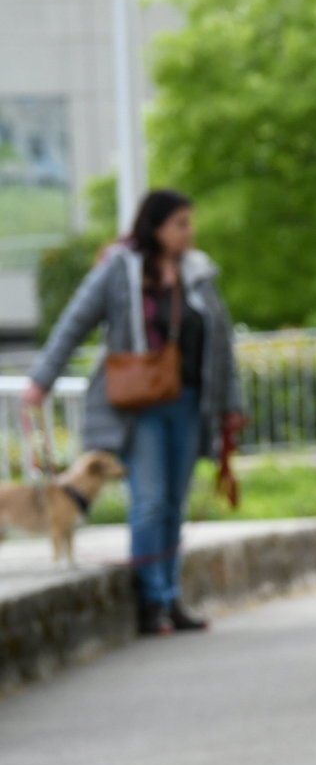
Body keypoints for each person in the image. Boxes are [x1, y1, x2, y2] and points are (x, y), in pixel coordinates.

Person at [21, 189, 245, 634]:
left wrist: (232, 406)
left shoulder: (197, 273)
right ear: (156, 226)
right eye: (180, 223)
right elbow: (74, 321)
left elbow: (221, 344)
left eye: (189, 223)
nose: (188, 232)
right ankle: (151, 602)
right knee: (150, 500)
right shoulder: (119, 268)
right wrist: (41, 381)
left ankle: (170, 597)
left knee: (174, 504)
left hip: (187, 401)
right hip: (135, 404)